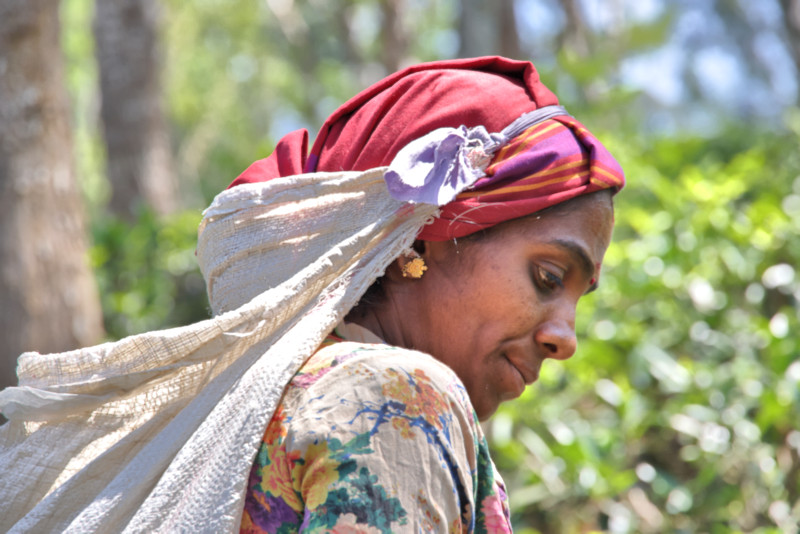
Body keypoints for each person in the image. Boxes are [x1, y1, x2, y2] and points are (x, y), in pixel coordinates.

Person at [0, 56, 623, 533]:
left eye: (578, 300)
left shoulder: (257, 413)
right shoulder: (395, 400)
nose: (563, 337)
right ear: (421, 239)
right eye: (546, 277)